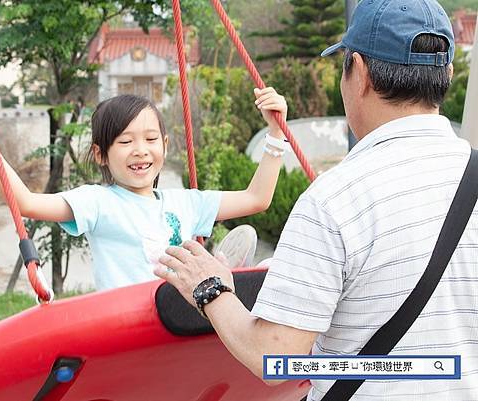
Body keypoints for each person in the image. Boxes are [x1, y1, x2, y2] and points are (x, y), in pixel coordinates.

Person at [154, 0, 477, 399]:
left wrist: (210, 288)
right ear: (445, 74)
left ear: (357, 72)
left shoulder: (336, 197)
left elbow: (276, 358)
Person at [0, 88, 286, 291]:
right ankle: (220, 277)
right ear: (101, 154)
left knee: (271, 272)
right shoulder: (98, 202)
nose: (140, 150)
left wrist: (275, 133)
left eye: (149, 139)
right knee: (198, 290)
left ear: (164, 145)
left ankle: (222, 277)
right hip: (135, 317)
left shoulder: (186, 203)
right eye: (126, 141)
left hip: (182, 309)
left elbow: (256, 198)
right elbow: (26, 203)